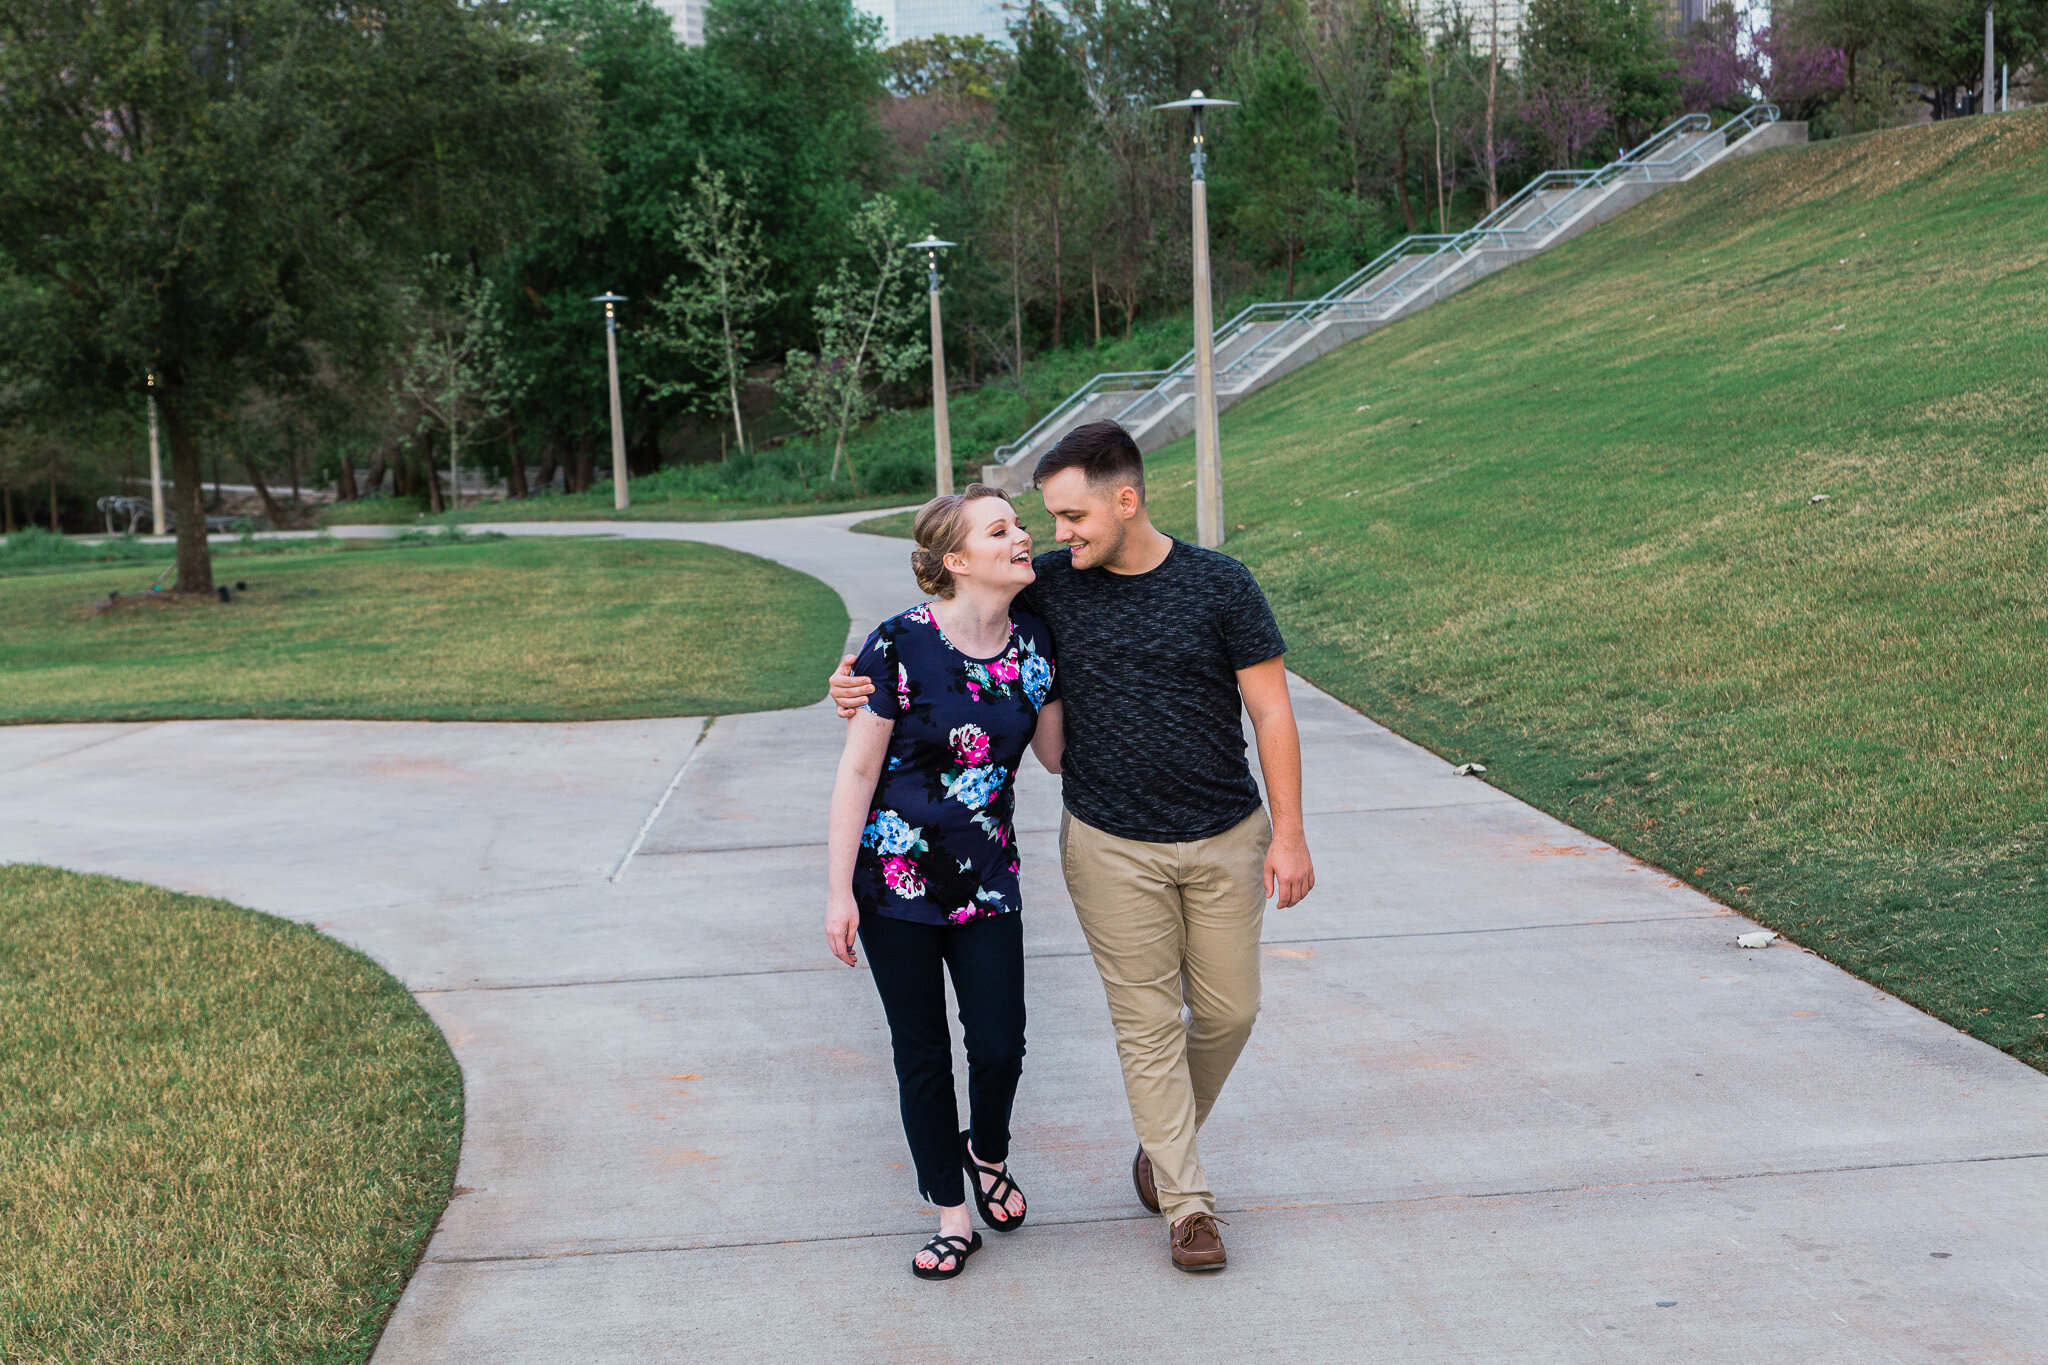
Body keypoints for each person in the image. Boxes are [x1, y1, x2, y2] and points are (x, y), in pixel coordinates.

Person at [832, 419, 1314, 1272]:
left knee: (1228, 1011)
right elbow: (932, 631)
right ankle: (1184, 1200)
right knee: (1142, 1025)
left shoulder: (1216, 587)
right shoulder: (1041, 586)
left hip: (1208, 836)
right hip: (1091, 848)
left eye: (1066, 517)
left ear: (1125, 501)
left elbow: (1270, 712)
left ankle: (1152, 1142)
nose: (1048, 537)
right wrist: (852, 680)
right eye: (1035, 522)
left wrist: (1291, 834)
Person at [825, 484, 1066, 1281]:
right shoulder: (897, 644)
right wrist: (836, 892)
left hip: (989, 880)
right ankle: (951, 1213)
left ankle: (985, 1151)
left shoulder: (1037, 644)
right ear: (957, 560)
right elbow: (857, 770)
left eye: (1020, 524)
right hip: (893, 885)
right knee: (922, 1052)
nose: (1023, 535)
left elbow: (1059, 757)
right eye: (1002, 529)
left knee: (1000, 1044)